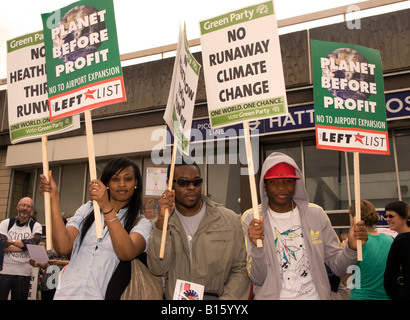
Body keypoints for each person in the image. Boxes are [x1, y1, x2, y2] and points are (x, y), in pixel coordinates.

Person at [241, 152, 368, 300]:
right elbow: (257, 278)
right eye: (274, 182)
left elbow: (338, 267)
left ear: (296, 183)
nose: (281, 187)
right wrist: (257, 246)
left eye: (287, 181)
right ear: (264, 184)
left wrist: (351, 248)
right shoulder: (252, 218)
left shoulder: (316, 214)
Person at [38, 158, 151, 300]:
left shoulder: (141, 223)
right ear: (107, 183)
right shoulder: (87, 210)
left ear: (136, 183)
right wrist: (53, 199)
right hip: (66, 294)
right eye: (115, 179)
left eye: (128, 179)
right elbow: (63, 247)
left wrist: (107, 208)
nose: (122, 184)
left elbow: (126, 253)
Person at [147, 158, 251, 300]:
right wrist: (161, 222)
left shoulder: (229, 219)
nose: (191, 187)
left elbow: (241, 268)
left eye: (196, 182)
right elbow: (157, 268)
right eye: (183, 182)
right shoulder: (161, 224)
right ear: (169, 184)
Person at [348, 200, 393, 300]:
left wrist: (346, 251)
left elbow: (345, 278)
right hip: (387, 296)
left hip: (361, 296)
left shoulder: (356, 243)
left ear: (354, 218)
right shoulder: (390, 241)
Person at [0, 197, 42, 300]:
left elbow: (34, 243)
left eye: (28, 206)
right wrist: (26, 247)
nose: (25, 208)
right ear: (18, 207)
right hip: (4, 271)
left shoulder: (36, 226)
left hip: (24, 273)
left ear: (31, 209)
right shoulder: (6, 223)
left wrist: (10, 241)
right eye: (23, 205)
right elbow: (1, 244)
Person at [384, 201, 410, 299]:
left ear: (404, 217)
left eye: (391, 216)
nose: (387, 219)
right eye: (386, 216)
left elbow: (390, 274)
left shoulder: (400, 240)